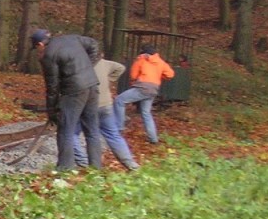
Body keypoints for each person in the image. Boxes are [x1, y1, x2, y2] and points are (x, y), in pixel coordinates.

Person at [30, 28, 102, 170]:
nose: (38, 51)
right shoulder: (72, 38)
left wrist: (51, 111)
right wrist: (88, 66)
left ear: (40, 44)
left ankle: (65, 168)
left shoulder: (48, 56)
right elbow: (94, 44)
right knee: (92, 129)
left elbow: (52, 86)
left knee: (65, 130)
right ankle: (96, 169)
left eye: (37, 48)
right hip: (92, 85)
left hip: (74, 91)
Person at [72, 56, 139, 170]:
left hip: (87, 106)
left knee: (70, 133)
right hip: (106, 105)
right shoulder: (105, 63)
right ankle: (131, 164)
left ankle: (83, 162)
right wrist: (110, 79)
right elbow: (120, 67)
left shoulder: (79, 64)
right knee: (113, 135)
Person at [113, 44, 175, 144]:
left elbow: (133, 75)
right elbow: (170, 74)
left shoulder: (141, 59)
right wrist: (160, 77)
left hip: (142, 87)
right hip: (154, 89)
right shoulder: (160, 61)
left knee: (119, 100)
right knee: (146, 113)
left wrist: (136, 79)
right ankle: (153, 139)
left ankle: (119, 128)